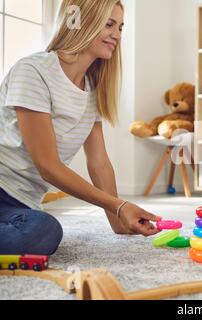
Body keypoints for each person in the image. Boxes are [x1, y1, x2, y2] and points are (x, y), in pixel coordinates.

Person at [0, 0, 161, 256]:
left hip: (20, 204)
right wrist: (119, 205)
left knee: (42, 230)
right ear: (82, 21)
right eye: (109, 24)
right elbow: (48, 166)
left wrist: (118, 221)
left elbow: (99, 162)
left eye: (120, 27)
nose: (117, 35)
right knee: (44, 232)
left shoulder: (92, 91)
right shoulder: (33, 71)